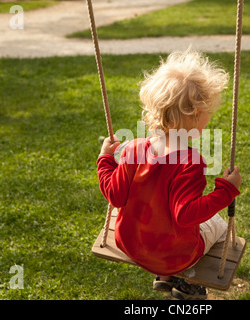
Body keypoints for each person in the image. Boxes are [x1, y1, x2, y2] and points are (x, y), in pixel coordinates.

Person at [97, 49, 242, 299]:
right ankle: (185, 281)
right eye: (209, 113)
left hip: (130, 244)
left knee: (154, 211)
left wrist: (105, 160)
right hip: (176, 255)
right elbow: (185, 215)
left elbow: (115, 197)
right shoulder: (190, 163)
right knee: (216, 224)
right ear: (197, 115)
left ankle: (163, 277)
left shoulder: (132, 149)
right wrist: (226, 191)